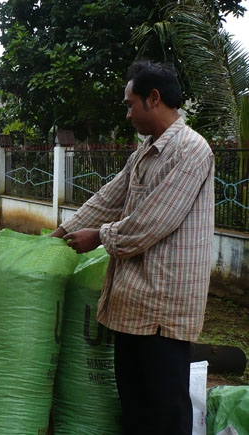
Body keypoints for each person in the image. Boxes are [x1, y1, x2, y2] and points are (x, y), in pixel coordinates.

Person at [50, 61, 214, 435]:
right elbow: (111, 197)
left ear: (153, 99)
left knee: (165, 408)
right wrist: (60, 233)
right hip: (132, 301)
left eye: (130, 104)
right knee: (135, 402)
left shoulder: (191, 151)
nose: (127, 113)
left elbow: (153, 222)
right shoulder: (146, 151)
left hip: (165, 305)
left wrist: (99, 236)